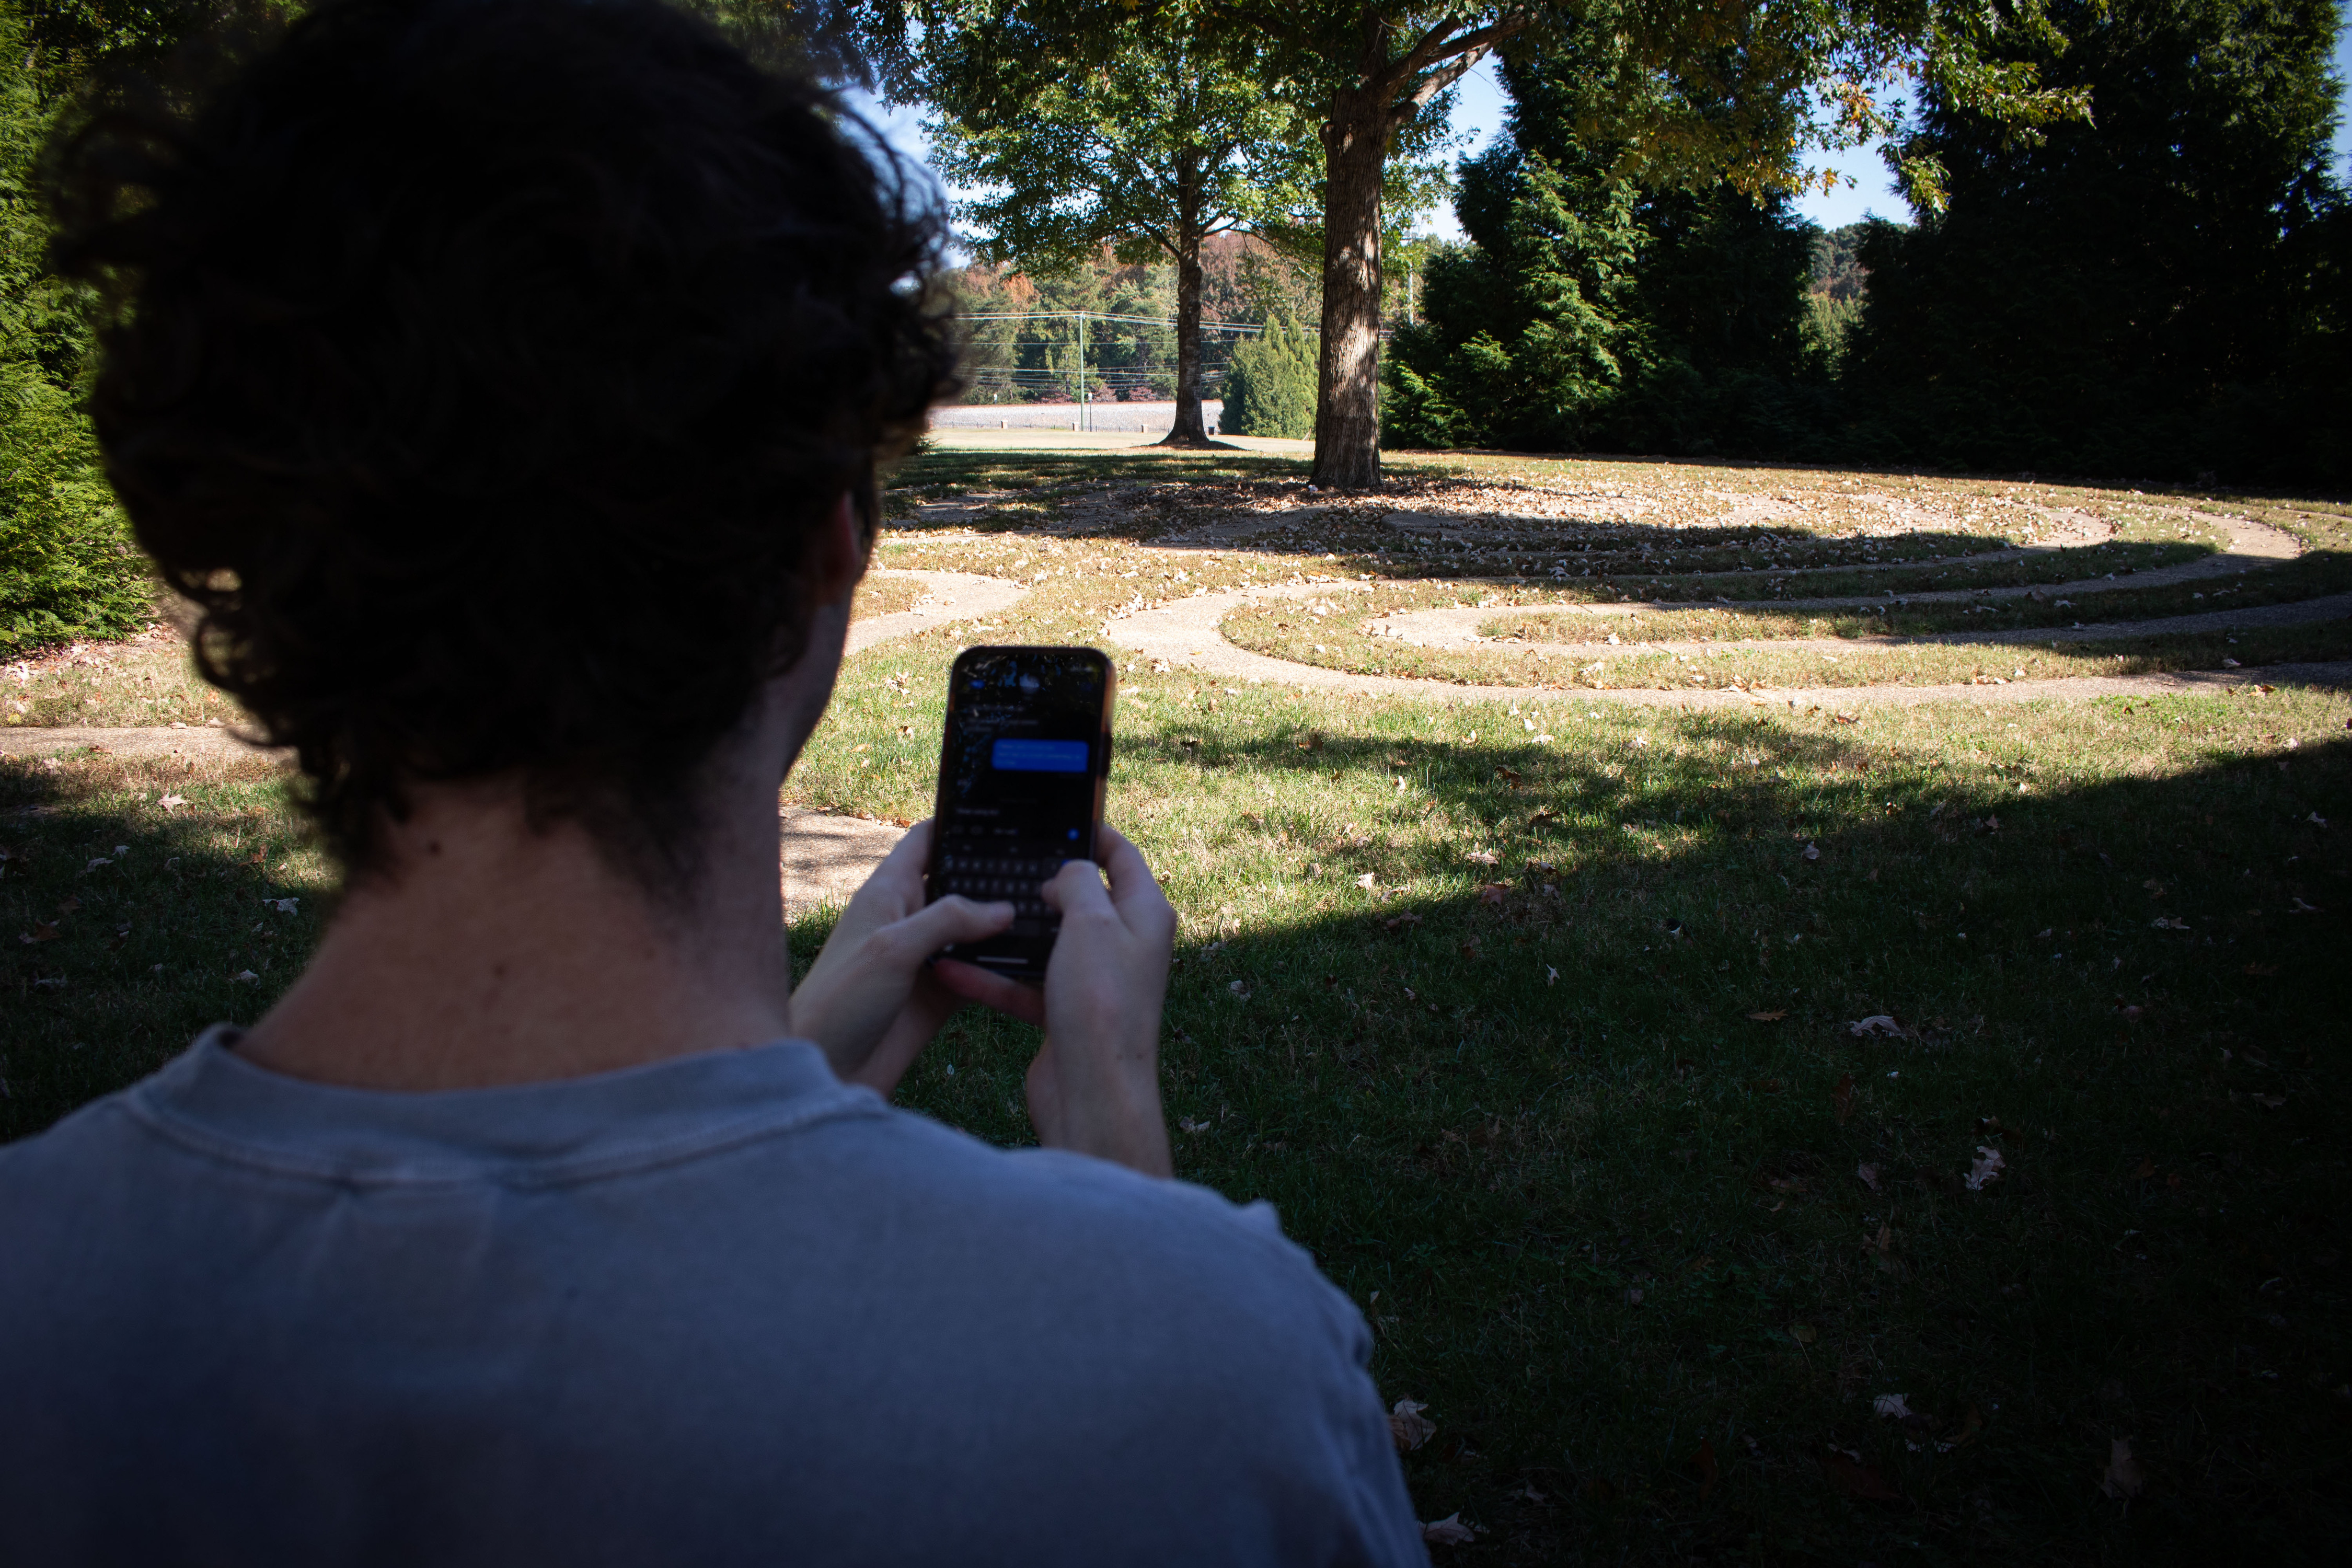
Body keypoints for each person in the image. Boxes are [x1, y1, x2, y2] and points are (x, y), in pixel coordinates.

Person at [0, 2, 1426, 1562]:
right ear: (828, 549)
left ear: (246, 569)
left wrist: (806, 1064)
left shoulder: (44, 1286)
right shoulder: (1193, 1361)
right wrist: (1121, 1160)